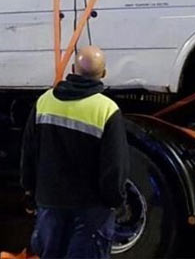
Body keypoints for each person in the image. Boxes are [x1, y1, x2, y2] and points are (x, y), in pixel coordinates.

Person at [21, 46, 129, 259]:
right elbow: (114, 167)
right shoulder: (107, 110)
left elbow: (29, 153)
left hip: (50, 204)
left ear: (72, 68)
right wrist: (116, 201)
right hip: (91, 210)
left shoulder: (45, 101)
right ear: (104, 74)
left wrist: (29, 192)